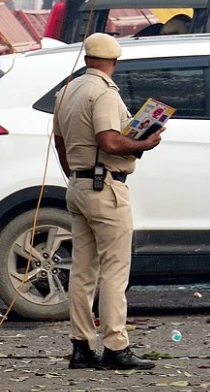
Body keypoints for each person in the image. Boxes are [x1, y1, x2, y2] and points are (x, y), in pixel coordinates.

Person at [52, 33, 163, 371]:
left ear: (88, 58)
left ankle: (82, 347)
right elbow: (110, 141)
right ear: (114, 62)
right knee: (114, 272)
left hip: (79, 187)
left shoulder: (66, 91)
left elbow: (59, 143)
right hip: (106, 189)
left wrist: (77, 174)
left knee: (83, 272)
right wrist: (146, 143)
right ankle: (116, 346)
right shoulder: (103, 92)